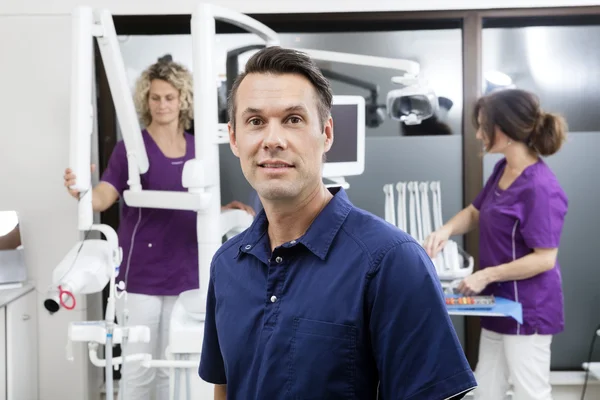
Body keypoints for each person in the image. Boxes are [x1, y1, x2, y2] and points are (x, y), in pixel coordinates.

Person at [198, 46, 477, 400]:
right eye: (255, 122)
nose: (273, 140)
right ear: (235, 138)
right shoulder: (227, 265)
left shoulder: (391, 262)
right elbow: (224, 387)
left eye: (293, 119)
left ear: (327, 133)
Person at [63, 58, 254, 400]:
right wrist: (82, 191)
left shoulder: (198, 148)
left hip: (186, 271)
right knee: (139, 370)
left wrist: (224, 210)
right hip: (142, 275)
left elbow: (196, 201)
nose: (162, 104)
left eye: (169, 97)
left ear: (183, 99)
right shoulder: (131, 150)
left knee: (172, 367)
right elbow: (104, 197)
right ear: (145, 100)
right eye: (155, 97)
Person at [424, 88, 568, 400]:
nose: (478, 134)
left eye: (482, 126)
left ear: (502, 130)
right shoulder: (503, 170)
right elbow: (475, 212)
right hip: (498, 305)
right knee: (486, 390)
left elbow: (545, 259)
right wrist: (445, 230)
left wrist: (485, 275)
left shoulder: (540, 187)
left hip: (527, 310)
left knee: (531, 393)